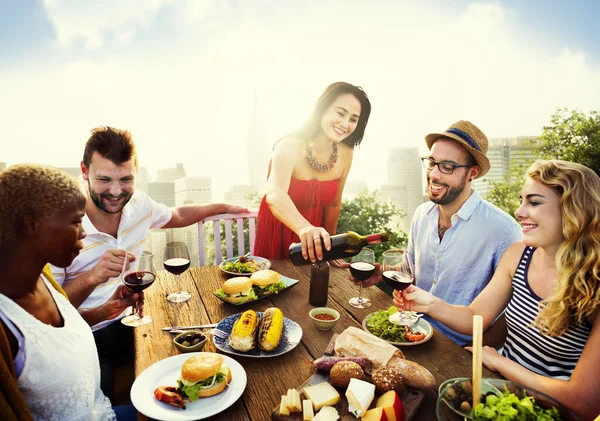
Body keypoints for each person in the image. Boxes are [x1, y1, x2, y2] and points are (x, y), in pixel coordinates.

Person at [48, 126, 248, 402]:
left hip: (134, 323)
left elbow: (176, 215)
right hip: (85, 338)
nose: (116, 192)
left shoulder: (139, 204)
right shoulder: (63, 224)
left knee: (201, 378)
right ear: (84, 171)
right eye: (104, 179)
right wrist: (92, 276)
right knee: (106, 404)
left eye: (126, 179)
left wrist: (220, 207)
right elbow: (48, 313)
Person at [394, 160, 600, 420]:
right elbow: (475, 317)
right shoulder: (519, 256)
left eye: (534, 203)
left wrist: (501, 363)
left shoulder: (594, 284)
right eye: (522, 200)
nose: (519, 211)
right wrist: (427, 303)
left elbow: (583, 401)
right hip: (497, 398)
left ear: (573, 210)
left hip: (549, 413)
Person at [356, 120, 522, 345]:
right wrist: (382, 275)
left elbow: (509, 315)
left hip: (459, 349)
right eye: (432, 163)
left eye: (447, 167)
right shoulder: (421, 214)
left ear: (472, 173)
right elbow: (412, 272)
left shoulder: (503, 230)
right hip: (411, 332)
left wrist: (474, 356)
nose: (434, 174)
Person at [0, 164, 134, 421]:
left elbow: (51, 340)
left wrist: (104, 311)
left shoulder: (43, 277)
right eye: (76, 221)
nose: (83, 232)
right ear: (31, 224)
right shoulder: (5, 323)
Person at [253, 81, 371, 262]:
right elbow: (275, 194)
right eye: (340, 113)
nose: (345, 123)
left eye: (353, 119)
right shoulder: (289, 146)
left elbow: (333, 205)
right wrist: (304, 228)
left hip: (315, 239)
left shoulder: (346, 154)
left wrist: (331, 248)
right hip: (279, 229)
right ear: (322, 109)